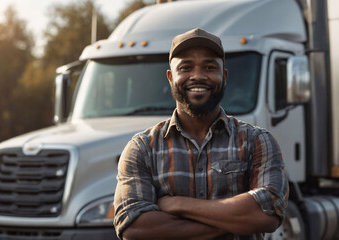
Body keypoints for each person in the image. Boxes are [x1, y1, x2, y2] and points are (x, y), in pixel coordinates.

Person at [113, 28, 288, 240]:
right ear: (170, 77)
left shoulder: (256, 141)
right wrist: (239, 221)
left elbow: (267, 213)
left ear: (223, 76)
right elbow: (135, 228)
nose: (197, 75)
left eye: (209, 67)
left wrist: (177, 204)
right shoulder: (142, 148)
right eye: (186, 67)